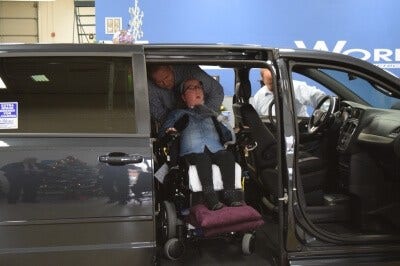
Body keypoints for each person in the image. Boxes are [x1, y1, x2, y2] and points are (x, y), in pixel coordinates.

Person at [160, 78, 242, 211]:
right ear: (183, 97)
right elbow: (163, 133)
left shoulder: (212, 114)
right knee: (202, 158)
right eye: (191, 88)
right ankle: (210, 197)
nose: (197, 90)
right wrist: (171, 130)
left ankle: (230, 195)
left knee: (227, 156)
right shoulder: (176, 114)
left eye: (199, 87)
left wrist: (236, 131)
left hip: (215, 149)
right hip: (191, 152)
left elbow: (228, 134)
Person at [147, 65, 224, 124]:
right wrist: (177, 123)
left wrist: (205, 117)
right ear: (183, 97)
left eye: (167, 77)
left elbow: (217, 92)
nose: (165, 83)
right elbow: (159, 114)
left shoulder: (193, 73)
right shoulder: (151, 88)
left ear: (171, 68)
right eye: (160, 82)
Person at [253, 68, 326, 117]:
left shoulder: (296, 87)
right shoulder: (258, 97)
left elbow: (318, 97)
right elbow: (257, 120)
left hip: (299, 132)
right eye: (271, 83)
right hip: (273, 135)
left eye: (277, 81)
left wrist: (327, 110)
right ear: (263, 79)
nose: (275, 85)